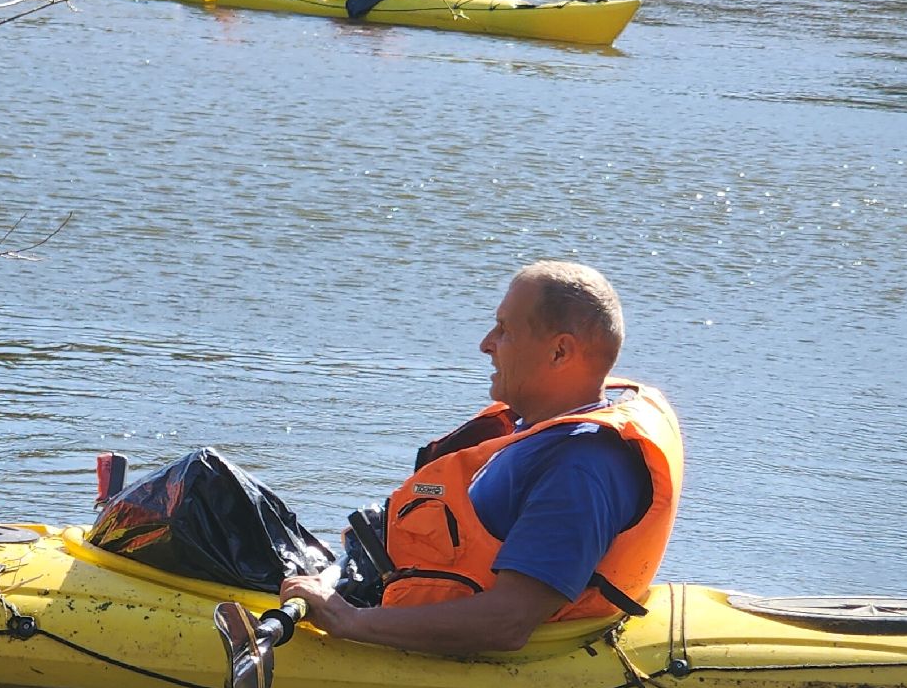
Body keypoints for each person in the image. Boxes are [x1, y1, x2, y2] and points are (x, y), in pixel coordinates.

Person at [279, 261, 681, 654]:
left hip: (406, 623)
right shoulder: (546, 431)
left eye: (504, 330)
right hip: (378, 584)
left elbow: (507, 622)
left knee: (212, 486)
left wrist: (348, 621)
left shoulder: (580, 469)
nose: (486, 343)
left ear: (560, 352)